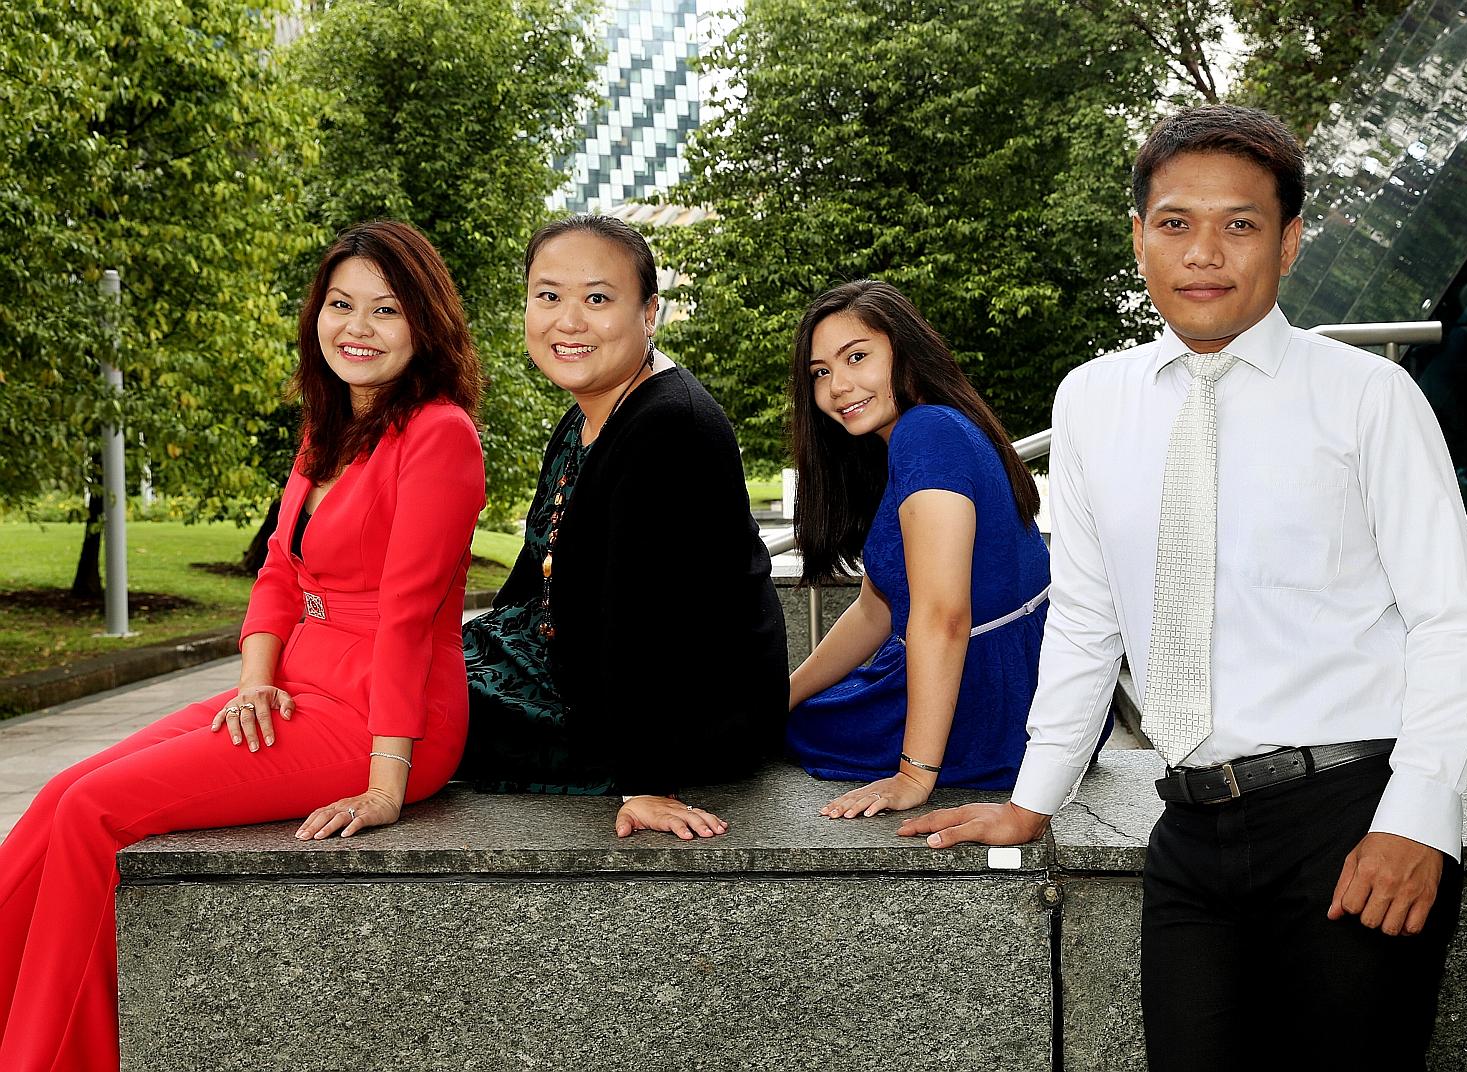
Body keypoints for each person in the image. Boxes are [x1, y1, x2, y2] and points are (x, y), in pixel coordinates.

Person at [902, 105, 1467, 1070]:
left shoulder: (1367, 397)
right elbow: (1088, 616)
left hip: (1349, 818)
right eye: (1175, 223)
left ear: (1290, 241)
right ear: (1139, 236)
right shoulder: (1094, 399)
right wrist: (1034, 794)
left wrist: (1416, 818)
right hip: (1190, 832)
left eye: (1241, 224)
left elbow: (1452, 623)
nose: (1204, 253)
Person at [0, 219, 486, 1072]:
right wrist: (253, 682)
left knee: (92, 815)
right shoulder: (328, 427)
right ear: (317, 315)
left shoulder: (440, 435)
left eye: (385, 310)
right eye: (342, 305)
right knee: (58, 796)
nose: (357, 329)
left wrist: (386, 785)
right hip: (294, 692)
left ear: (425, 326)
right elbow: (276, 573)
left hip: (380, 715)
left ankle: (46, 1057)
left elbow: (409, 618)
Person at [459, 214, 787, 840]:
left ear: (649, 313)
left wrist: (646, 782)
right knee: (388, 668)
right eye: (548, 296)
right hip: (582, 670)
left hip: (676, 717)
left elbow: (643, 613)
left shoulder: (670, 428)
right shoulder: (589, 414)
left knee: (398, 710)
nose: (569, 320)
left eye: (598, 299)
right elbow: (537, 573)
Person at [784, 281, 1108, 819]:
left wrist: (913, 775)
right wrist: (783, 695)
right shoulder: (927, 431)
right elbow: (874, 609)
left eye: (856, 357)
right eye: (821, 372)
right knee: (783, 717)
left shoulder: (927, 434)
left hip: (991, 705)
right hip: (1011, 689)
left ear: (907, 353)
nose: (838, 385)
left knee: (778, 735)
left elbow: (944, 616)